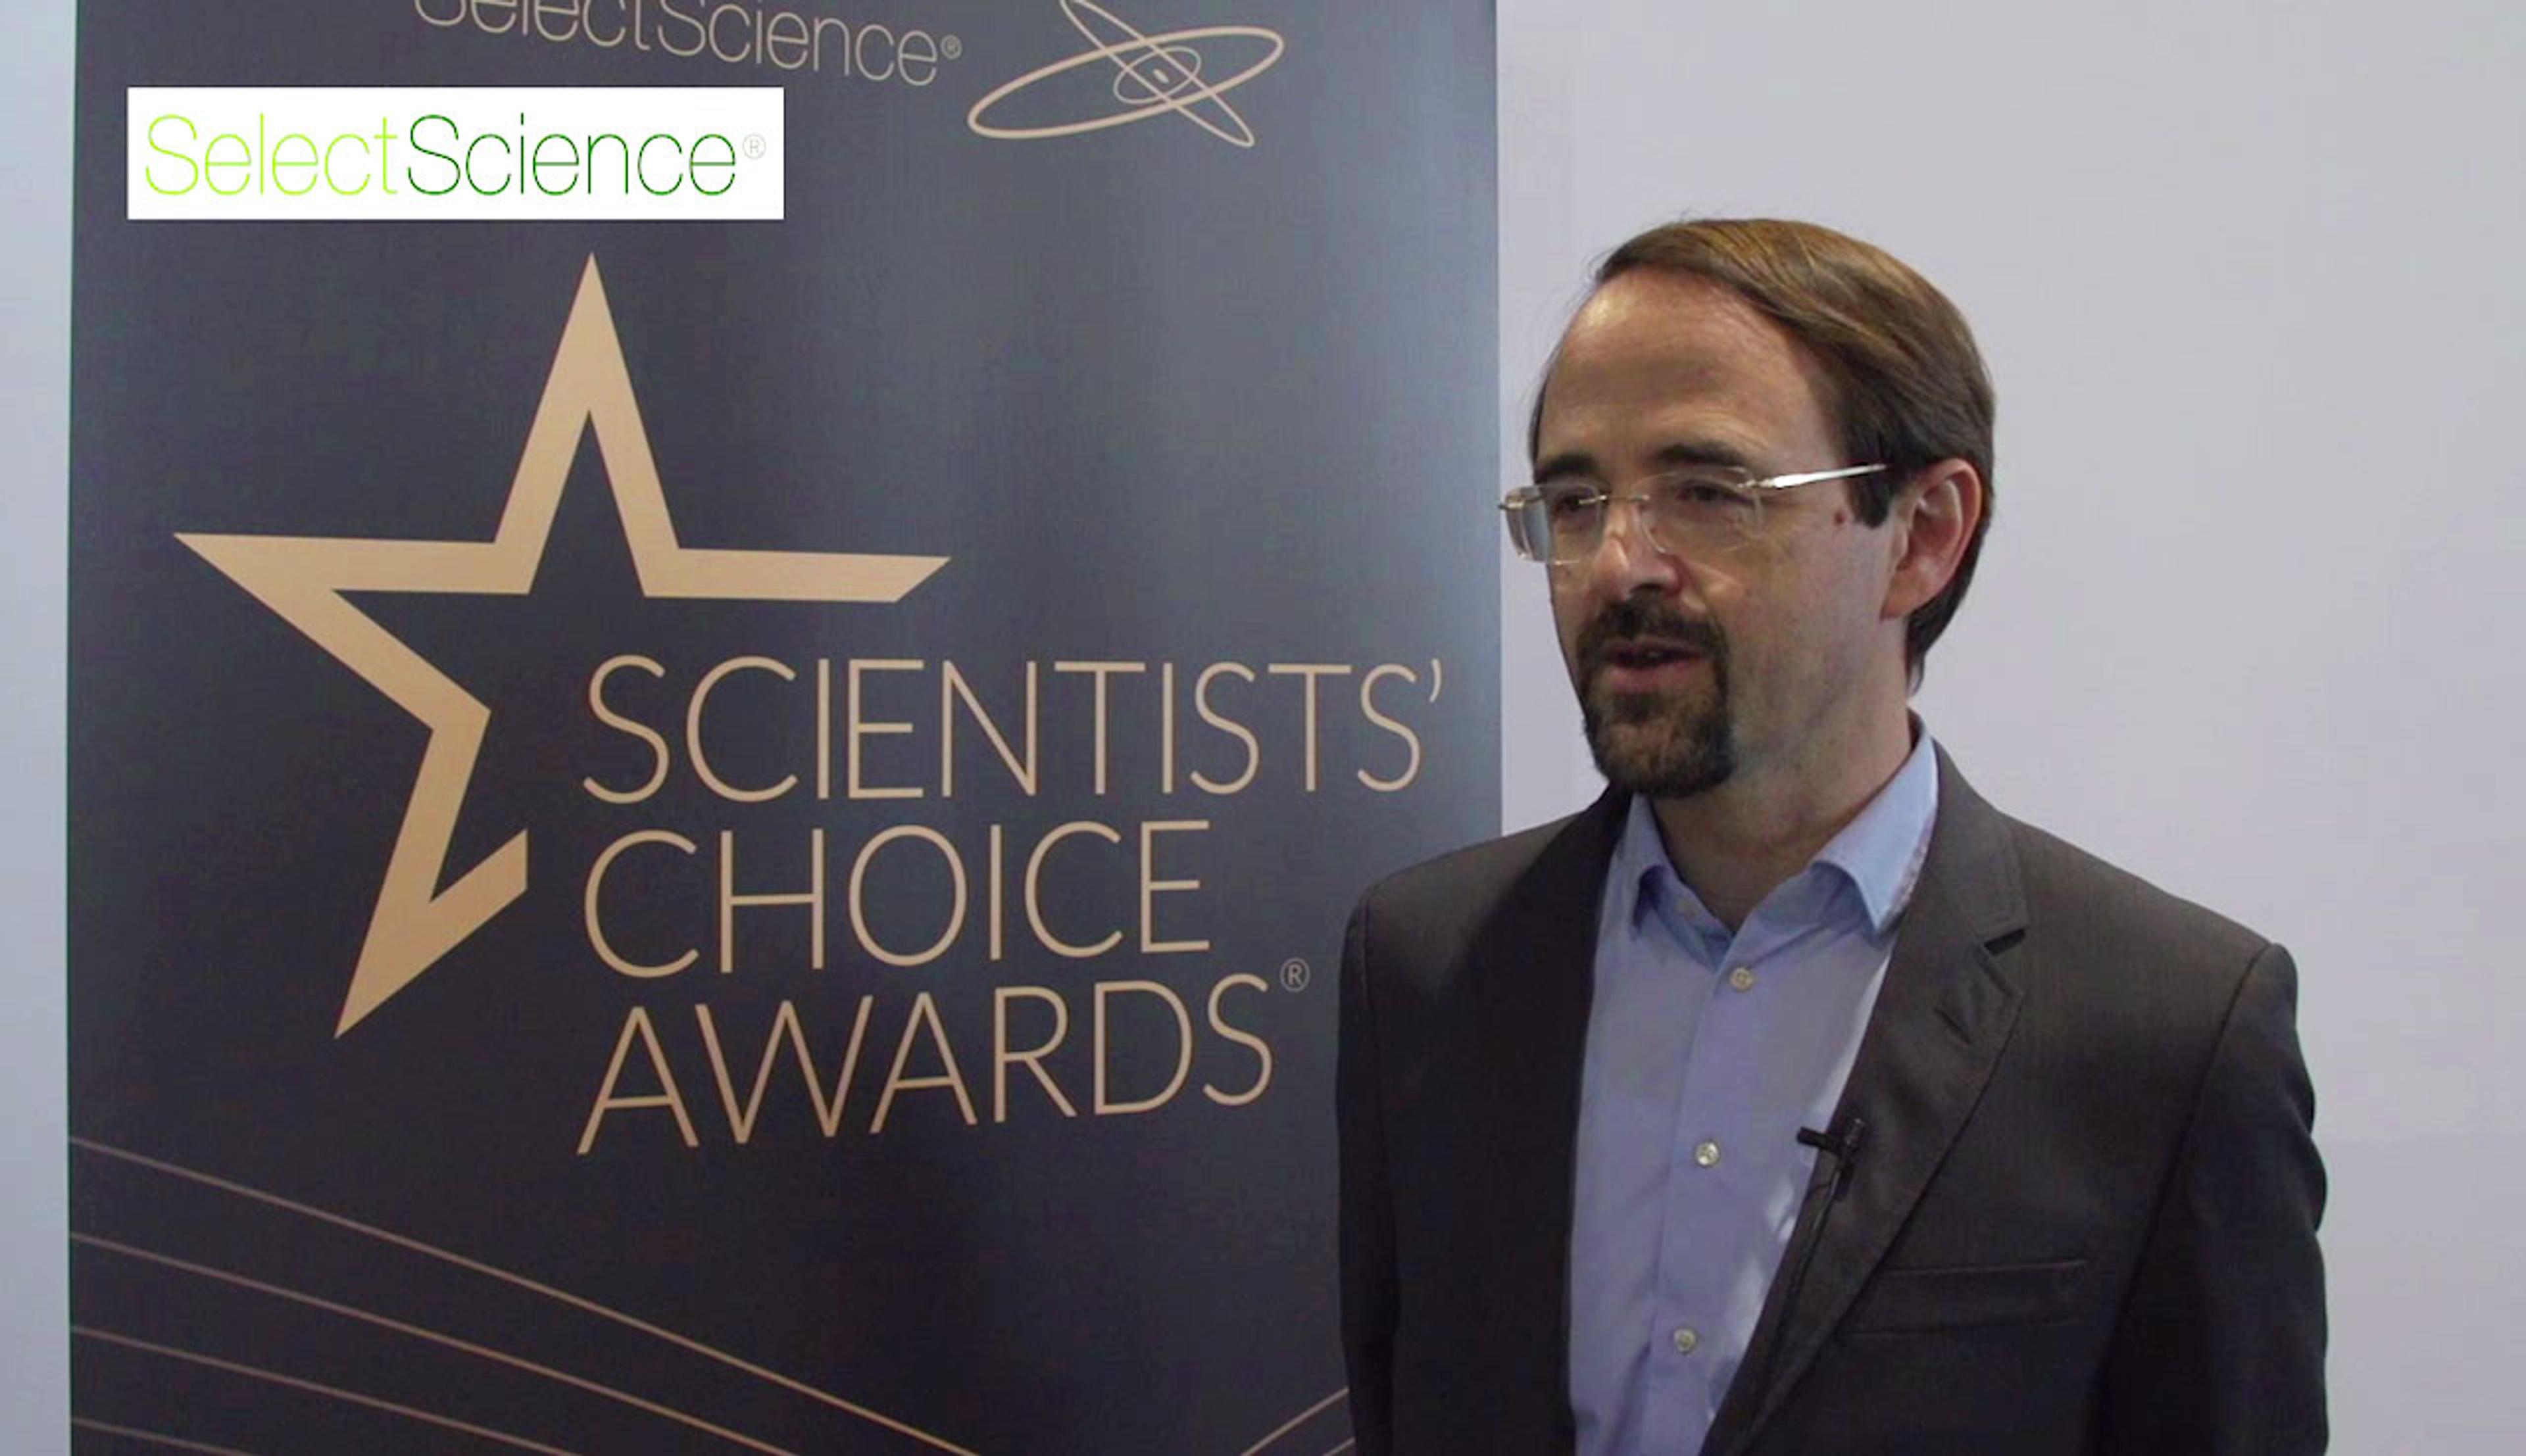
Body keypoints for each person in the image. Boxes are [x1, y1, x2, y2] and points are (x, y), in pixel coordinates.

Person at [1335, 218, 2325, 1455]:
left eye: (1708, 493)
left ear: (1922, 534)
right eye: (1576, 501)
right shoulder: (1426, 963)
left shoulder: (2170, 1031)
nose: (1619, 566)